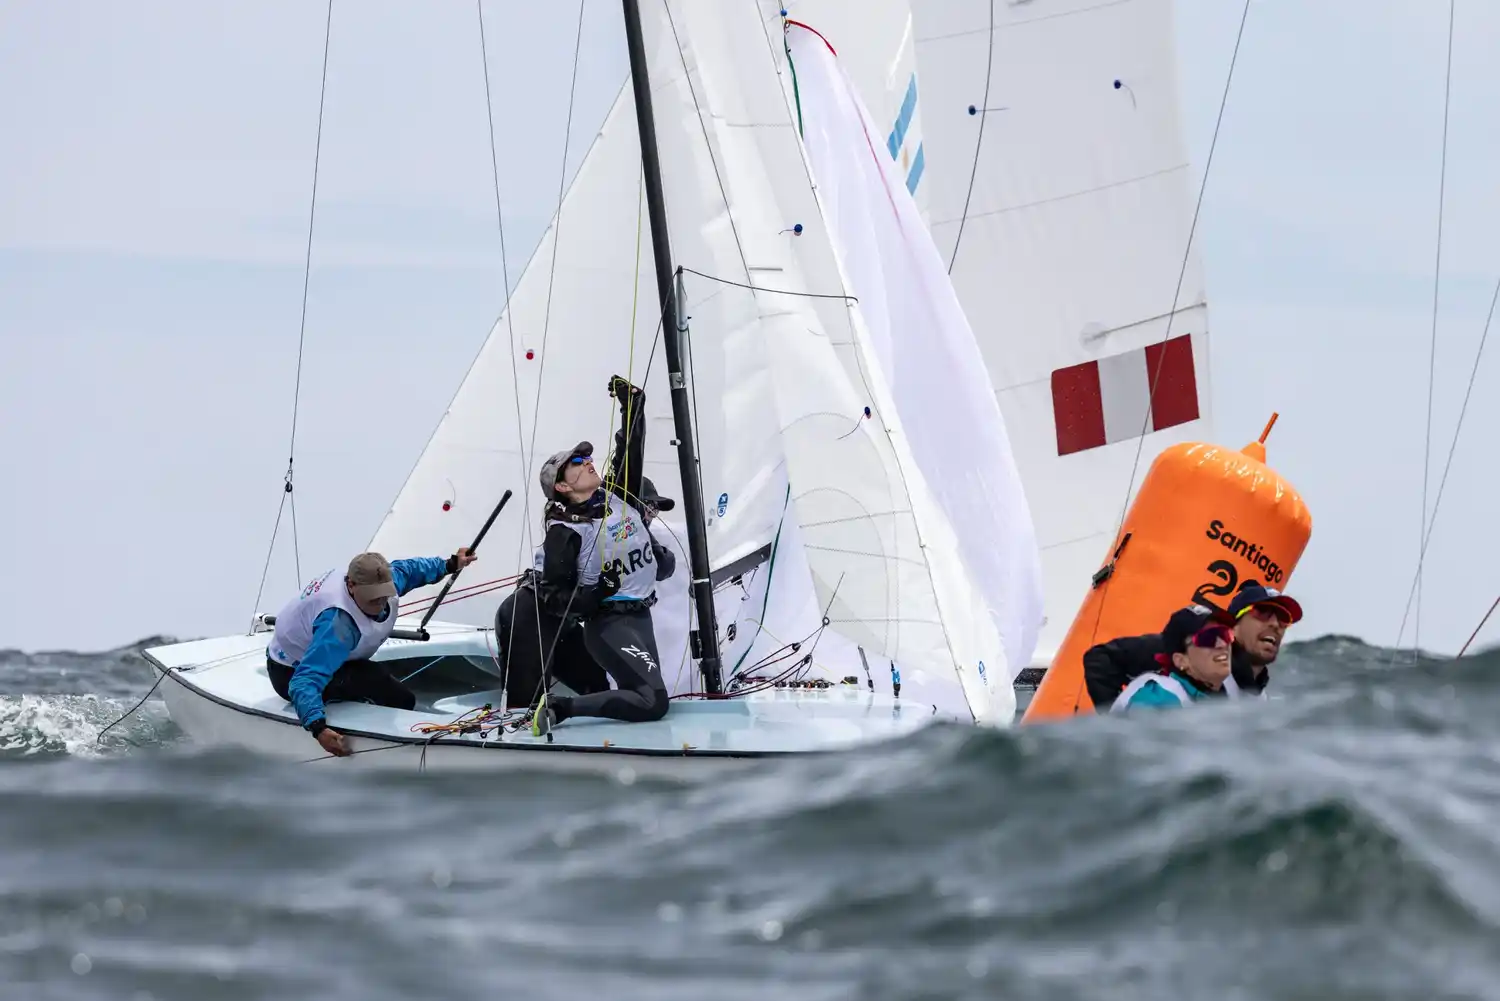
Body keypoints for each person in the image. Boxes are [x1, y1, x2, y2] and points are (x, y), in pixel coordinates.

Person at [529, 375, 674, 736]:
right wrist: (598, 592)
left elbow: (631, 449)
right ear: (562, 486)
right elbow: (554, 598)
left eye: (588, 457)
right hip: (608, 624)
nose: (588, 461)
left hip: (640, 616)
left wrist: (632, 405)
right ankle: (560, 707)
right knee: (653, 701)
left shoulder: (618, 494)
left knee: (642, 698)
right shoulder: (564, 532)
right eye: (577, 462)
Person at [267, 548, 476, 756]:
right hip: (288, 671)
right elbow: (304, 681)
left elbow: (412, 569)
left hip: (326, 653)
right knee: (386, 688)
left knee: (391, 689)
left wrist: (450, 564)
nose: (381, 604)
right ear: (351, 586)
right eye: (373, 598)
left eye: (384, 596)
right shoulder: (338, 625)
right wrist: (318, 729)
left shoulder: (386, 579)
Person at [494, 476, 677, 709]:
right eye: (648, 507)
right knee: (525, 706)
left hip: (565, 620)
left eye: (655, 510)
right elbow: (662, 565)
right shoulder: (599, 525)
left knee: (597, 687)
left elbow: (663, 568)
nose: (652, 515)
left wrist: (642, 529)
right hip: (530, 613)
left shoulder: (631, 531)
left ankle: (561, 712)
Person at [1082, 582, 1304, 710]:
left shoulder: (1260, 701)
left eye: (1283, 619)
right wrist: (1116, 727)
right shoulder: (1189, 653)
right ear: (1234, 626)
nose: (1275, 624)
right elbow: (1100, 659)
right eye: (1263, 613)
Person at [1110, 606, 1234, 711]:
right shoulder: (1158, 703)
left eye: (1224, 633)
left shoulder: (1229, 690)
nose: (1222, 644)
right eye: (1208, 638)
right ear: (1181, 660)